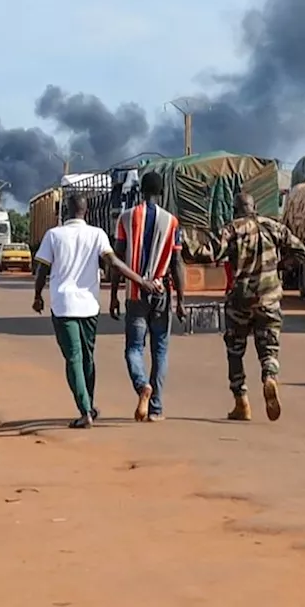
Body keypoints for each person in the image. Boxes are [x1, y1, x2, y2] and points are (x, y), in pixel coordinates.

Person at [34, 194, 159, 429]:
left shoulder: (54, 235)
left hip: (63, 306)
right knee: (88, 358)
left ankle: (84, 411)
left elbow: (42, 270)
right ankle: (88, 406)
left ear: (65, 212)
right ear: (87, 211)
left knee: (74, 358)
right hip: (89, 307)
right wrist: (140, 281)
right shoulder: (97, 234)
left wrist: (37, 296)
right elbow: (114, 263)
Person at [194, 192, 305, 422]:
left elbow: (209, 253)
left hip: (240, 301)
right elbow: (302, 253)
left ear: (236, 210)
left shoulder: (232, 229)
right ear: (255, 207)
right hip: (270, 299)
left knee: (235, 350)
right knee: (269, 347)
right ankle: (269, 377)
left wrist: (187, 245)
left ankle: (241, 402)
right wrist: (278, 266)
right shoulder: (274, 227)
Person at [111, 171, 186, 422]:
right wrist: (181, 300)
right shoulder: (172, 222)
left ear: (140, 191)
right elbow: (177, 262)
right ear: (161, 192)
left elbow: (118, 260)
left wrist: (113, 295)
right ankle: (156, 409)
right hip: (162, 293)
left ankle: (142, 385)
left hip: (135, 293)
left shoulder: (125, 218)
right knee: (160, 351)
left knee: (134, 348)